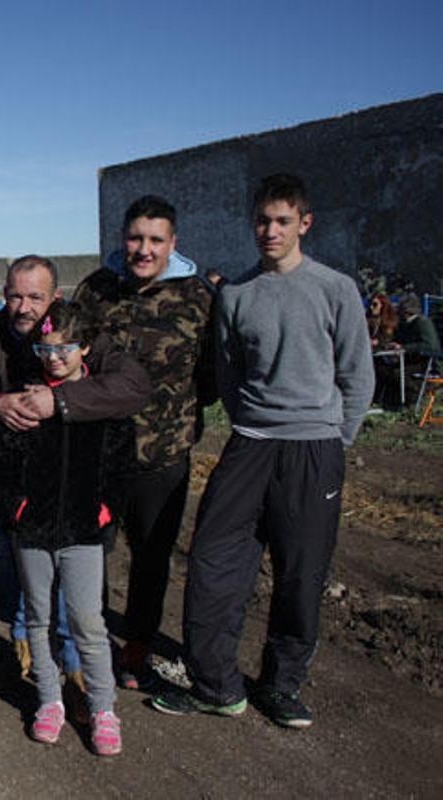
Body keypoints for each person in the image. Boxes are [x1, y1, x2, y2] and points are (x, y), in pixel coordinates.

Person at [151, 173, 375, 729]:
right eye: (261, 220)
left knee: (300, 572)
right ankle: (215, 684)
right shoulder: (237, 293)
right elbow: (229, 373)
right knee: (212, 560)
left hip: (313, 448)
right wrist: (252, 421)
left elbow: (358, 374)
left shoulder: (334, 288)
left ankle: (281, 685)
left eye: (281, 221)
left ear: (304, 223)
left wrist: (333, 438)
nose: (269, 231)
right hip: (250, 444)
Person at [0, 256, 150, 688]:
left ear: (55, 298)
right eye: (14, 296)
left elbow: (133, 386)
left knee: (73, 574)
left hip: (74, 476)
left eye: (35, 297)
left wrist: (61, 403)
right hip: (12, 478)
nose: (23, 307)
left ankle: (75, 660)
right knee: (17, 566)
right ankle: (25, 651)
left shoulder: (80, 335)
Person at [0, 302, 148, 756]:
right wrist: (17, 509)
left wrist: (104, 510)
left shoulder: (103, 404)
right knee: (38, 617)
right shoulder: (24, 400)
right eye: (46, 349)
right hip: (32, 532)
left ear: (86, 347)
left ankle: (102, 707)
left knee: (87, 622)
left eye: (65, 349)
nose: (54, 358)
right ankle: (50, 700)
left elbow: (121, 467)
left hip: (82, 533)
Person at [73, 196, 216, 690]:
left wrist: (176, 418)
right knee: (90, 552)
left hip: (163, 456)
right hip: (99, 453)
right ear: (122, 239)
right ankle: (86, 646)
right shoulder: (96, 290)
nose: (144, 249)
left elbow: (212, 373)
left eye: (156, 240)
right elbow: (72, 357)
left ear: (173, 244)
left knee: (151, 558)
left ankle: (136, 649)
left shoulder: (197, 297)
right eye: (135, 238)